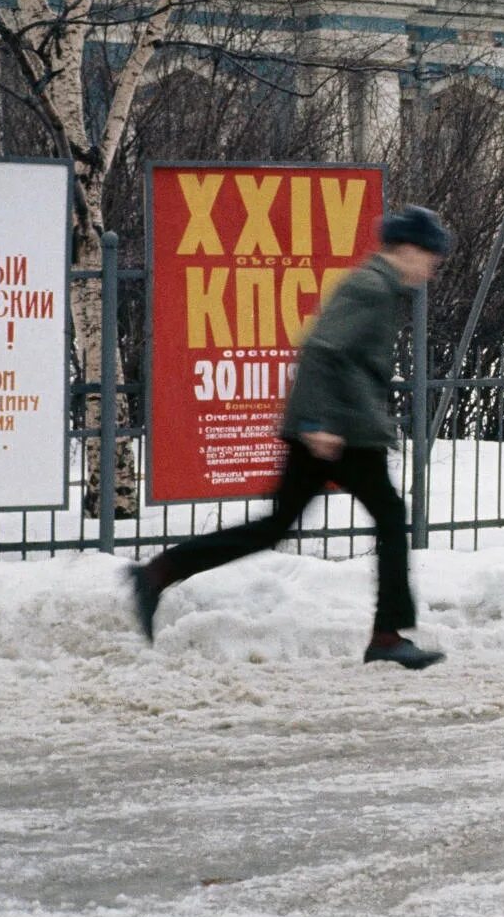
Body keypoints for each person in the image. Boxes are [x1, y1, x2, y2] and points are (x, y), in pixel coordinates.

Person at [128, 206, 453, 670]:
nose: (431, 269)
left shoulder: (379, 287)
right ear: (407, 249)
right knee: (387, 517)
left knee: (279, 526)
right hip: (338, 432)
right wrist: (317, 422)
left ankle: (159, 573)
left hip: (341, 429)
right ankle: (387, 635)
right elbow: (322, 348)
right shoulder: (370, 286)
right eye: (430, 258)